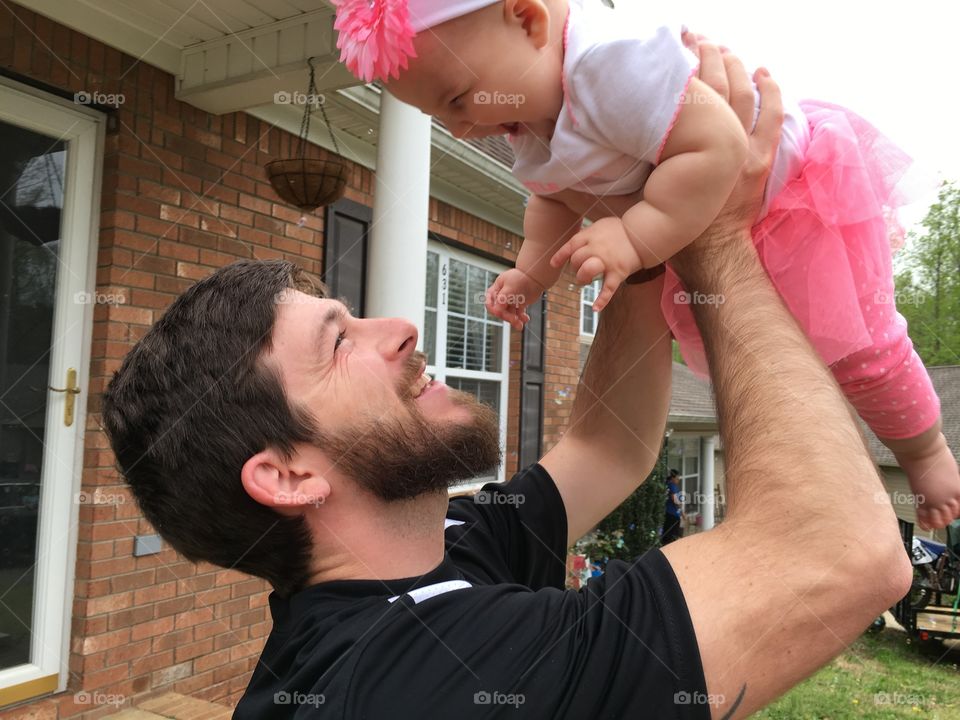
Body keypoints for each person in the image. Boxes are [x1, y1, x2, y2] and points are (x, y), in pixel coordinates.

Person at [101, 47, 912, 718]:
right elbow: (842, 554)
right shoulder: (408, 683)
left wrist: (654, 221)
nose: (400, 327)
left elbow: (607, 448)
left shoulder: (447, 546)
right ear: (286, 475)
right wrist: (722, 231)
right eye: (339, 340)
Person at [332, 0, 960, 530]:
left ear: (528, 19)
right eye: (438, 117)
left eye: (459, 99)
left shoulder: (610, 63)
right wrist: (531, 273)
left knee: (864, 347)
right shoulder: (523, 115)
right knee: (767, 358)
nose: (461, 127)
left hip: (790, 201)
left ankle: (926, 452)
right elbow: (551, 198)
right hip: (700, 212)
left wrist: (632, 234)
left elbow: (716, 145)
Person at [663, 468, 685, 545]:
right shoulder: (672, 486)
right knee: (672, 536)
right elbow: (675, 500)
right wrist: (682, 513)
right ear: (673, 478)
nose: (678, 480)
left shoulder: (669, 484)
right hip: (673, 514)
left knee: (668, 534)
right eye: (677, 478)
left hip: (670, 513)